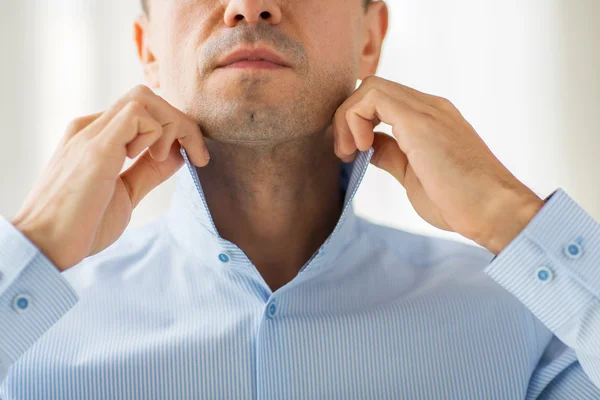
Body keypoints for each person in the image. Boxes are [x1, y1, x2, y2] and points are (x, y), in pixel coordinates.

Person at [1, 0, 599, 398]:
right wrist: (31, 248)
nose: (250, 4)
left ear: (372, 36)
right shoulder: (26, 336)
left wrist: (514, 219)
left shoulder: (529, 324)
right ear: (148, 49)